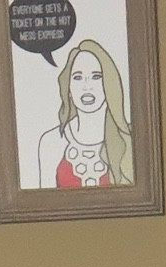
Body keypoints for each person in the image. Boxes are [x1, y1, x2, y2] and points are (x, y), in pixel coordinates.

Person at [37, 39, 133, 188]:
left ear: (109, 83)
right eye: (77, 77)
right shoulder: (51, 141)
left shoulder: (129, 139)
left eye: (96, 76)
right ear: (68, 87)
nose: (87, 86)